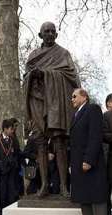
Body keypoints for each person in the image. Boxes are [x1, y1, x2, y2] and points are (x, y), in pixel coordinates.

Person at [23, 21, 80, 197]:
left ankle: (63, 186)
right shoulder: (33, 55)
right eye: (46, 31)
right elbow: (25, 78)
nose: (49, 33)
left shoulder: (63, 53)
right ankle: (44, 185)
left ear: (56, 34)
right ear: (40, 35)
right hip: (38, 100)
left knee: (59, 143)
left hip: (56, 102)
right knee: (40, 142)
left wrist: (46, 74)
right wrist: (33, 75)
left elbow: (73, 78)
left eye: (52, 31)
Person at [70, 88, 108, 215]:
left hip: (91, 163)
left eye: (74, 96)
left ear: (84, 97)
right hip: (78, 164)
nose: (71, 99)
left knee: (96, 198)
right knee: (83, 198)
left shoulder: (92, 109)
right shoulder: (76, 114)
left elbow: (95, 136)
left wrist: (88, 160)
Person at [0, 119, 20, 215]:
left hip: (12, 170)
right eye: (10, 129)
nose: (12, 131)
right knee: (2, 191)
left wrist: (14, 163)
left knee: (11, 191)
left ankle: (10, 211)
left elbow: (17, 152)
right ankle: (1, 212)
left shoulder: (13, 139)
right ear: (5, 129)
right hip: (2, 170)